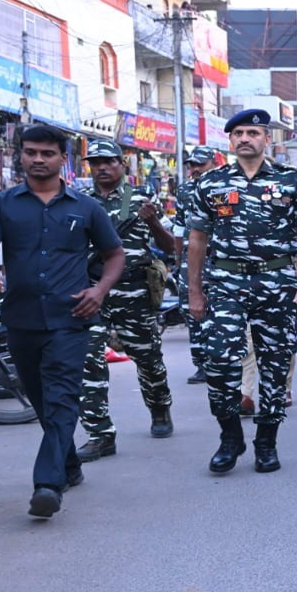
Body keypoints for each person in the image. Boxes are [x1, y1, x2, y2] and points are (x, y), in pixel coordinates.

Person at [0, 124, 125, 518]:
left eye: (47, 153)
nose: (38, 159)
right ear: (20, 155)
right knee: (40, 398)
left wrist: (99, 290)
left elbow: (114, 255)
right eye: (31, 152)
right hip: (20, 316)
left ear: (62, 159)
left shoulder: (86, 207)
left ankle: (47, 484)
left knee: (61, 398)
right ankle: (69, 466)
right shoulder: (1, 204)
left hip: (71, 317)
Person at [188, 108, 297, 475]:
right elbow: (197, 240)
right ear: (230, 141)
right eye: (239, 133)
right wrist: (194, 291)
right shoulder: (210, 183)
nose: (246, 138)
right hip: (226, 283)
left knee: (276, 363)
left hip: (277, 283)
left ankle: (267, 441)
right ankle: (230, 436)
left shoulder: (292, 180)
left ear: (267, 139)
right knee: (218, 362)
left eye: (253, 132)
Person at [75, 139, 177, 462]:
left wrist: (152, 221)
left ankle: (160, 407)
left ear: (122, 165)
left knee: (148, 359)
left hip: (134, 292)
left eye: (109, 162)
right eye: (96, 163)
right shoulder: (78, 201)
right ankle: (99, 433)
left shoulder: (141, 199)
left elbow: (170, 246)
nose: (102, 168)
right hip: (93, 293)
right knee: (89, 361)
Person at [173, 146, 219, 385]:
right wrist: (177, 258)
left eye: (200, 164)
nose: (195, 169)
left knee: (221, 312)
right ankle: (201, 363)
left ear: (213, 162)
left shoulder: (225, 185)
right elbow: (179, 227)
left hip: (219, 258)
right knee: (192, 312)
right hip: (191, 259)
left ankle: (222, 361)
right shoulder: (184, 190)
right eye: (192, 165)